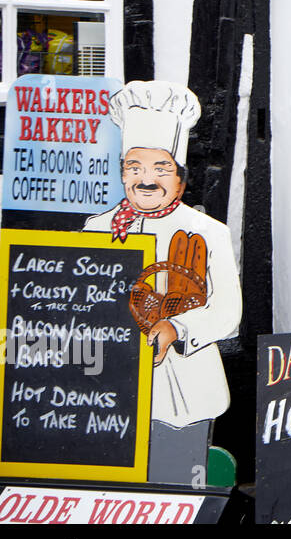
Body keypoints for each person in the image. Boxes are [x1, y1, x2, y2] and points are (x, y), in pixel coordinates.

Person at [83, 81, 242, 485]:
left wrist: (177, 327)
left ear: (180, 179)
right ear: (122, 174)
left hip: (183, 390)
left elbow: (228, 312)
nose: (146, 179)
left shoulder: (206, 231)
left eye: (159, 168)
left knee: (175, 485)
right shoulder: (96, 230)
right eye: (134, 168)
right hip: (109, 389)